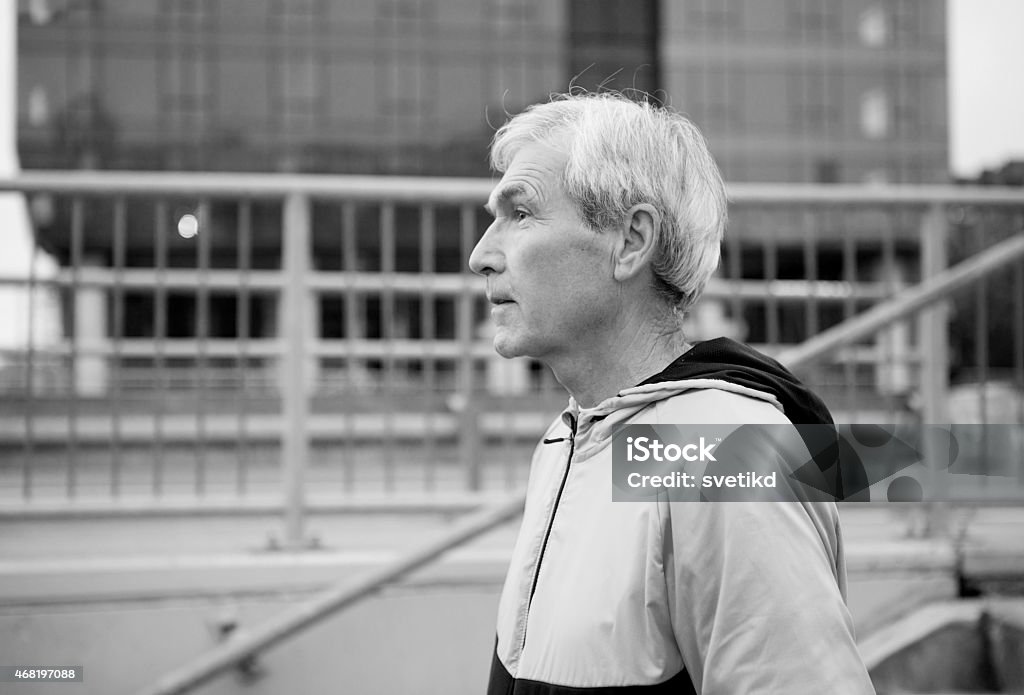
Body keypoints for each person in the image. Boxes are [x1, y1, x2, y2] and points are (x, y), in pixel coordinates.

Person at [468, 92, 875, 694]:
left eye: (521, 213)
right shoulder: (568, 438)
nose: (482, 255)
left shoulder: (720, 449)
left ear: (631, 241)